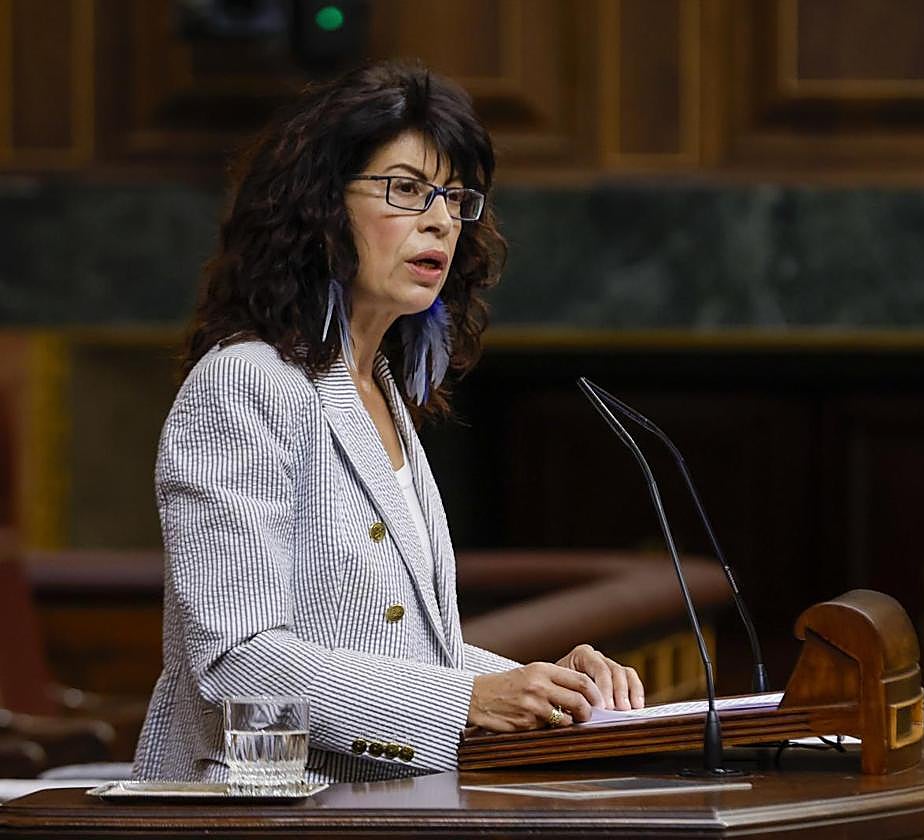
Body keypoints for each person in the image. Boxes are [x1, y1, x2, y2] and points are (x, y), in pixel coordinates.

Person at [133, 61, 644, 784]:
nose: (440, 219)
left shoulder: (381, 387)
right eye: (406, 189)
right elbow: (237, 661)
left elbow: (396, 649)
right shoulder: (244, 383)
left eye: (455, 197)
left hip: (386, 807)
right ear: (319, 206)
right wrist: (475, 697)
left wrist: (544, 688)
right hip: (265, 813)